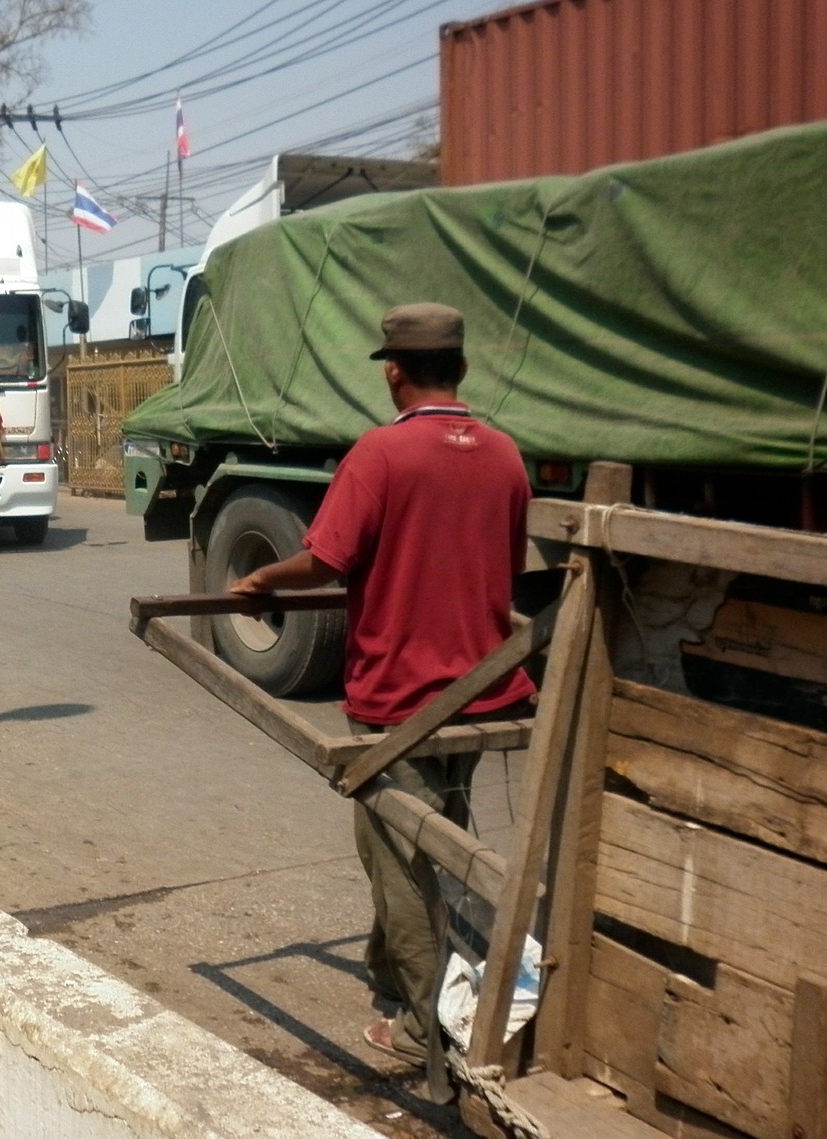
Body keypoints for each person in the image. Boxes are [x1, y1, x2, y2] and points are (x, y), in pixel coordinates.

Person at [230, 303, 536, 1067]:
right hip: (480, 691)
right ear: (460, 368)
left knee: (398, 854)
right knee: (432, 834)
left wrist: (264, 575)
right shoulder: (505, 455)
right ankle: (392, 973)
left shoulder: (380, 454)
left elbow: (325, 561)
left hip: (400, 698)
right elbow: (504, 561)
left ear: (394, 370)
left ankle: (427, 1027)